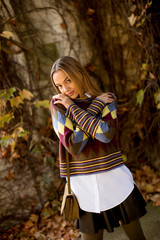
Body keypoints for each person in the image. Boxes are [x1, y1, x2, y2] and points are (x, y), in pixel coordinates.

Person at [50, 56, 147, 240]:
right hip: (83, 186)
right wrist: (88, 107)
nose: (65, 89)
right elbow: (74, 145)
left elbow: (104, 134)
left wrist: (87, 108)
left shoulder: (107, 99)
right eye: (59, 85)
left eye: (68, 80)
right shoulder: (60, 107)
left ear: (79, 74)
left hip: (115, 179)